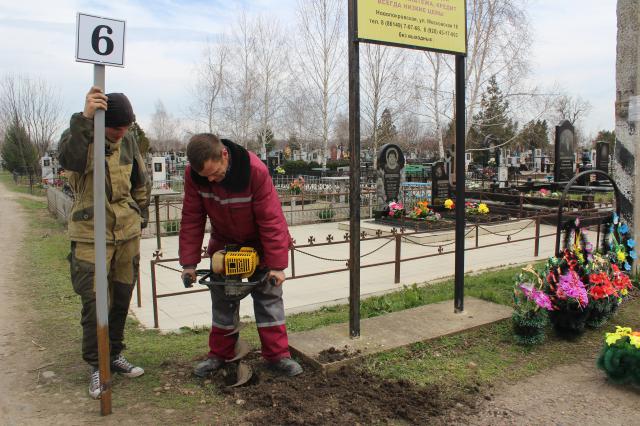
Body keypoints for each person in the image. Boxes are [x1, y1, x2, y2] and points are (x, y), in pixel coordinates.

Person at [179, 133, 303, 377]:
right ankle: (220, 355)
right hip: (225, 242)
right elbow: (192, 218)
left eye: (216, 173)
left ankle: (278, 356)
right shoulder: (194, 177)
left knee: (269, 299)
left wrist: (277, 266)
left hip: (259, 244)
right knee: (223, 300)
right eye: (206, 177)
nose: (212, 180)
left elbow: (271, 219)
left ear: (224, 155)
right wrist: (188, 263)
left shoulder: (254, 171)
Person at [58, 86, 150, 398]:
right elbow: (69, 159)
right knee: (96, 303)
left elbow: (141, 181)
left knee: (122, 297)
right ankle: (98, 366)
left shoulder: (129, 140)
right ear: (100, 122)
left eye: (127, 126)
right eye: (116, 127)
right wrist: (84, 119)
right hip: (89, 234)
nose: (122, 132)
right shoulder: (80, 137)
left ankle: (115, 354)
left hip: (126, 234)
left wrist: (140, 219)